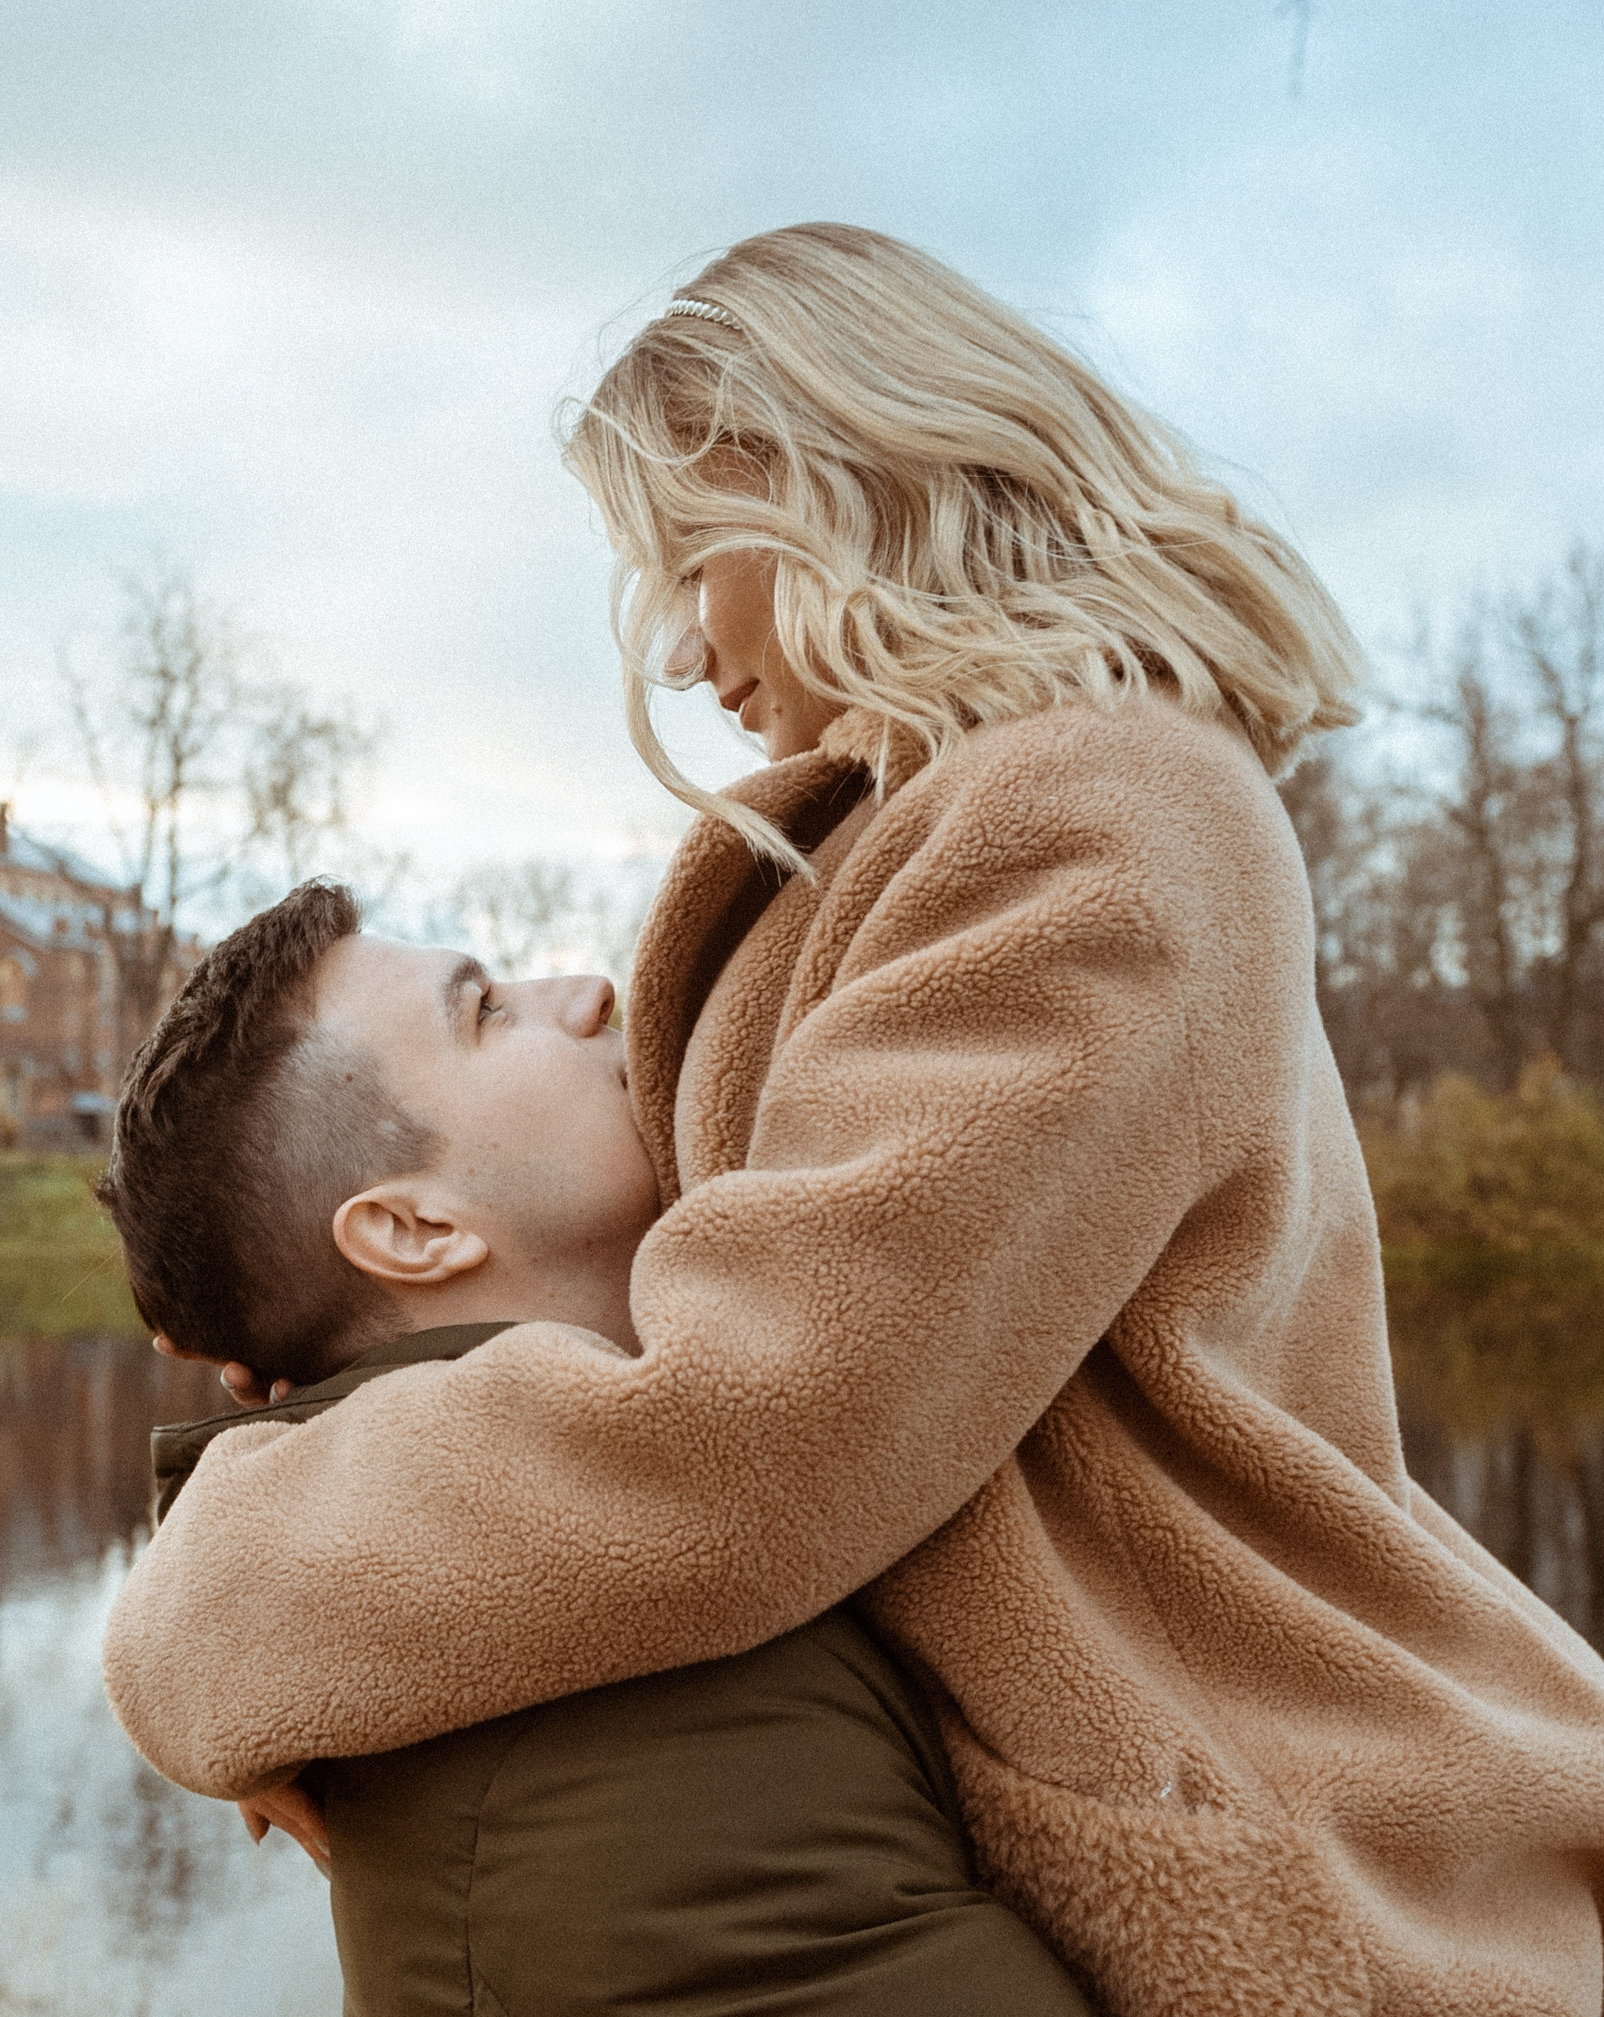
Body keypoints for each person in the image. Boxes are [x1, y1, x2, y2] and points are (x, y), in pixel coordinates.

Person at [105, 226, 1604, 2013]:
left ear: (829, 480)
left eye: (686, 565)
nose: (674, 652)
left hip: (1286, 1840)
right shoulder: (913, 833)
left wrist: (231, 1597)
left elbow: (759, 1428)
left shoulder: (1099, 816)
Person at [100, 882, 1092, 2015]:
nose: (586, 990)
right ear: (416, 1229)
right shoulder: (624, 1765)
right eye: (484, 1010)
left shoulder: (644, 1562)